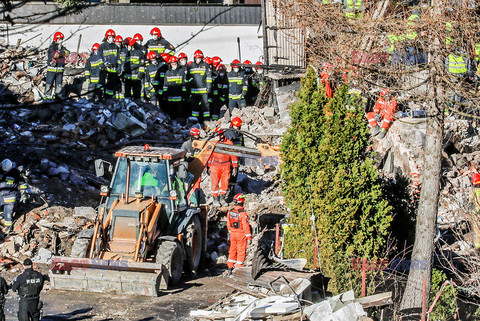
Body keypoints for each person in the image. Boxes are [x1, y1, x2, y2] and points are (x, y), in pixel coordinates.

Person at [208, 128, 238, 207]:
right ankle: (215, 199)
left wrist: (235, 166)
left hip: (226, 165)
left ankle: (222, 198)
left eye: (219, 135)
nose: (217, 137)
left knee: (225, 182)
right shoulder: (214, 143)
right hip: (215, 165)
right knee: (214, 182)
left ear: (222, 135)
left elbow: (233, 155)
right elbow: (210, 155)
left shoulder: (229, 143)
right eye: (217, 135)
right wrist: (208, 166)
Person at [225, 193, 252, 276]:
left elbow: (228, 224)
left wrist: (230, 232)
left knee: (232, 250)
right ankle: (238, 270)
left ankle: (230, 269)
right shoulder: (242, 213)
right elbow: (245, 226)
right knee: (241, 251)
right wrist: (249, 237)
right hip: (241, 234)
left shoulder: (230, 212)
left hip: (232, 234)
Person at [0, 159, 27, 228]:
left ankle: (8, 228)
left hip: (9, 197)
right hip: (1, 196)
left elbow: (22, 183)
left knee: (8, 215)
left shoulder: (16, 173)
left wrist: (23, 194)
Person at [187, 49, 212, 122]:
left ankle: (206, 120)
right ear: (194, 58)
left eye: (199, 58)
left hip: (203, 90)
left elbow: (209, 77)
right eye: (197, 58)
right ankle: (195, 121)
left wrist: (209, 87)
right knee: (195, 107)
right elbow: (187, 78)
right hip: (194, 91)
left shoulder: (205, 65)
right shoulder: (191, 66)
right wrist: (189, 87)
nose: (198, 59)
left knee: (205, 106)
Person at [45, 32, 69, 100]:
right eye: (59, 39)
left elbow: (68, 53)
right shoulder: (52, 47)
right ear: (56, 39)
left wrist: (61, 53)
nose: (61, 40)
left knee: (59, 85)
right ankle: (47, 98)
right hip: (52, 70)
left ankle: (58, 98)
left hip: (60, 70)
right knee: (49, 85)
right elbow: (55, 55)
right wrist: (63, 53)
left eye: (61, 39)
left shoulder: (62, 47)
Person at [182, 127, 202, 206]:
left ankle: (195, 202)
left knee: (197, 184)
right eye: (196, 136)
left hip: (197, 167)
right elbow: (181, 158)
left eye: (198, 135)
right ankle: (185, 201)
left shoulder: (200, 144)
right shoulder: (186, 145)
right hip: (188, 167)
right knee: (186, 185)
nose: (197, 137)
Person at [99, 29, 120, 99]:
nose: (112, 38)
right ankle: (98, 96)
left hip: (113, 70)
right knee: (101, 83)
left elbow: (118, 58)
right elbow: (99, 57)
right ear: (107, 37)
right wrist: (104, 64)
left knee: (110, 86)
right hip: (104, 69)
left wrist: (118, 67)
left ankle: (108, 98)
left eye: (113, 37)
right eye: (110, 37)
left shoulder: (115, 47)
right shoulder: (102, 46)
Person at [469, 172, 480, 250]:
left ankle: (477, 248)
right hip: (477, 213)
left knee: (477, 231)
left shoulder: (472, 192)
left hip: (476, 214)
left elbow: (470, 203)